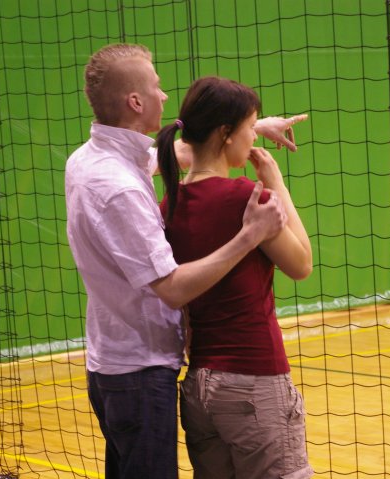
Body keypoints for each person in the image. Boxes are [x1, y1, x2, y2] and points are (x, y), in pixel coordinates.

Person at [65, 43, 304, 479]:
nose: (164, 96)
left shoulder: (95, 161)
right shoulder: (120, 185)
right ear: (135, 102)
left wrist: (249, 129)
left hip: (173, 379)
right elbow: (174, 289)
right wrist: (251, 233)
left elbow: (183, 153)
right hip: (150, 372)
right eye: (156, 87)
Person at [156, 76, 313, 479]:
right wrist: (275, 183)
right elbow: (301, 264)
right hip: (254, 380)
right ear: (226, 133)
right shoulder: (249, 198)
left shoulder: (168, 204)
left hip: (199, 389)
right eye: (249, 126)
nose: (253, 135)